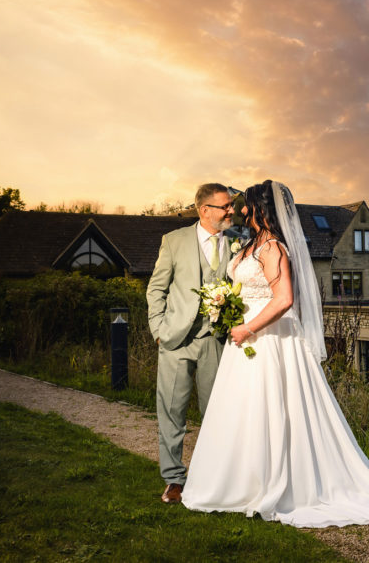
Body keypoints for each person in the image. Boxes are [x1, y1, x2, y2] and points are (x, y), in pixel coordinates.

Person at [181, 180, 369, 527]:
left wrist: (247, 327)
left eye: (245, 205)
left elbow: (283, 300)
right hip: (246, 340)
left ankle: (281, 480)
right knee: (244, 407)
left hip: (272, 341)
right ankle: (240, 478)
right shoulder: (251, 246)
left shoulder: (274, 249)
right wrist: (227, 306)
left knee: (278, 406)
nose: (239, 210)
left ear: (259, 209)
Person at [146, 183, 236, 504]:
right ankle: (174, 480)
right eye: (224, 206)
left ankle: (212, 476)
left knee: (216, 412)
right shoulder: (174, 241)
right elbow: (156, 289)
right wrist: (158, 328)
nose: (230, 211)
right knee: (172, 411)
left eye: (231, 206)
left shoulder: (238, 244)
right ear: (205, 210)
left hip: (217, 340)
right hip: (175, 340)